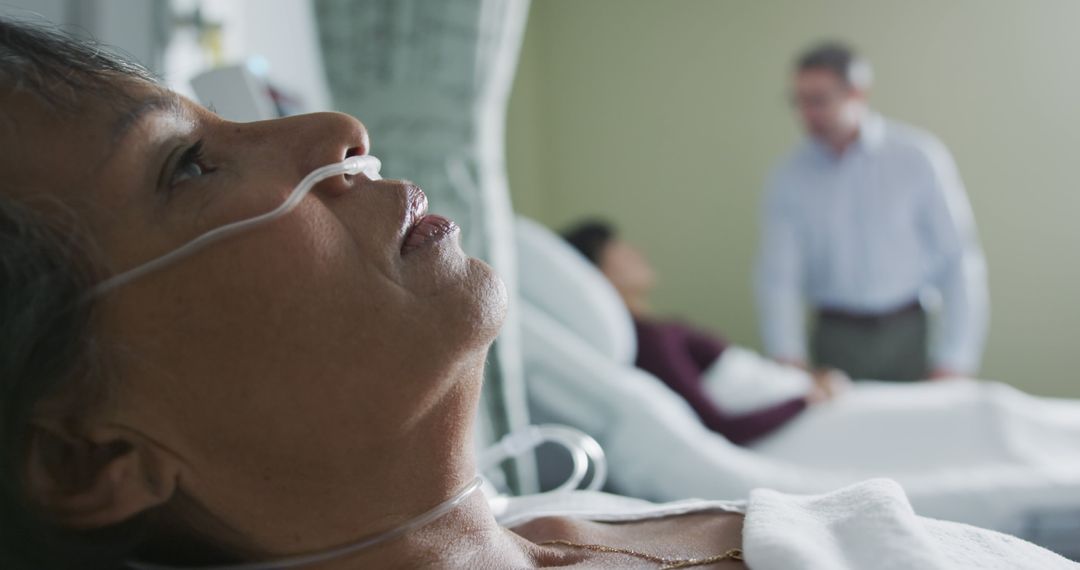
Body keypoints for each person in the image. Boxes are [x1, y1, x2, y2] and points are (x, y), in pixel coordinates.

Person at [0, 19, 1072, 570]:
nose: (339, 136)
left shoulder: (585, 521)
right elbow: (781, 274)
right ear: (93, 458)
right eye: (187, 166)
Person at [756, 41, 989, 381]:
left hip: (908, 332)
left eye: (818, 100)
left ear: (857, 94)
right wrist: (788, 359)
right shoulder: (789, 177)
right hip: (834, 338)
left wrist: (955, 359)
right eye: (799, 101)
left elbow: (957, 259)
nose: (806, 113)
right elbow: (778, 277)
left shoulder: (917, 158)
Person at [562, 220, 848, 445]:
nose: (637, 252)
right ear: (598, 274)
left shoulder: (653, 331)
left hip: (802, 398)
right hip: (798, 416)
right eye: (620, 249)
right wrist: (807, 399)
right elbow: (718, 425)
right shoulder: (650, 341)